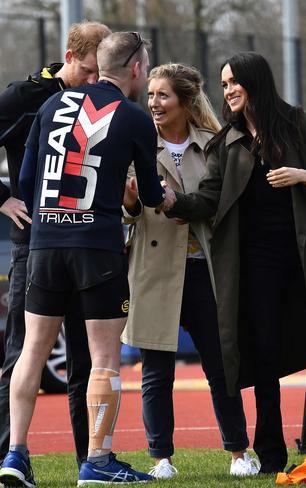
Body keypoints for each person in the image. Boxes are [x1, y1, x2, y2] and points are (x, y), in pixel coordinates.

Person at [164, 51, 306, 473]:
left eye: (233, 81)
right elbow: (209, 198)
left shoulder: (300, 124)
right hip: (256, 268)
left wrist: (302, 176)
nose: (228, 91)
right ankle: (273, 457)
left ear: (255, 81)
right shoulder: (228, 142)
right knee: (265, 355)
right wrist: (171, 202)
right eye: (223, 85)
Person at [0, 31, 175, 487]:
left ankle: (15, 455)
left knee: (31, 354)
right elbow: (153, 196)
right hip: (96, 247)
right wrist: (151, 194)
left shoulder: (49, 107)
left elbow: (26, 176)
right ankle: (97, 460)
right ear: (135, 68)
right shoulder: (134, 117)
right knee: (102, 359)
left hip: (43, 245)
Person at [121, 63, 259, 478]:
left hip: (205, 270)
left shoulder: (213, 144)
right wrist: (130, 202)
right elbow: (128, 216)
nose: (153, 103)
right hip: (154, 271)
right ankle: (161, 459)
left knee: (221, 368)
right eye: (150, 95)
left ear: (184, 100)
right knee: (156, 372)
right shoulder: (136, 143)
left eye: (163, 95)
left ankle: (239, 453)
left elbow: (224, 203)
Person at [0, 21, 111, 469]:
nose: (91, 81)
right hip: (34, 242)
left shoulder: (103, 99)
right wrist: (3, 198)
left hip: (86, 244)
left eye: (99, 74)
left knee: (87, 357)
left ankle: (92, 460)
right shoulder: (23, 98)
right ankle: (8, 455)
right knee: (22, 353)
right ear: (68, 57)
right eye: (86, 71)